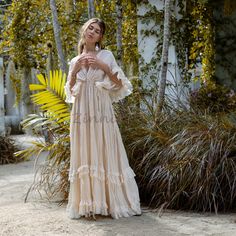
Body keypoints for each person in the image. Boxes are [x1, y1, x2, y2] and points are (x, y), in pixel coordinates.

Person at [64, 18, 141, 220]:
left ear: (100, 37)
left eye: (97, 31)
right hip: (81, 113)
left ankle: (111, 202)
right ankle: (89, 204)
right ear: (85, 30)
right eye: (90, 28)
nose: (92, 32)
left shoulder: (106, 55)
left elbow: (121, 84)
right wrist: (74, 72)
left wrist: (103, 66)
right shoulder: (75, 60)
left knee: (106, 148)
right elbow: (70, 92)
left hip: (101, 111)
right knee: (86, 151)